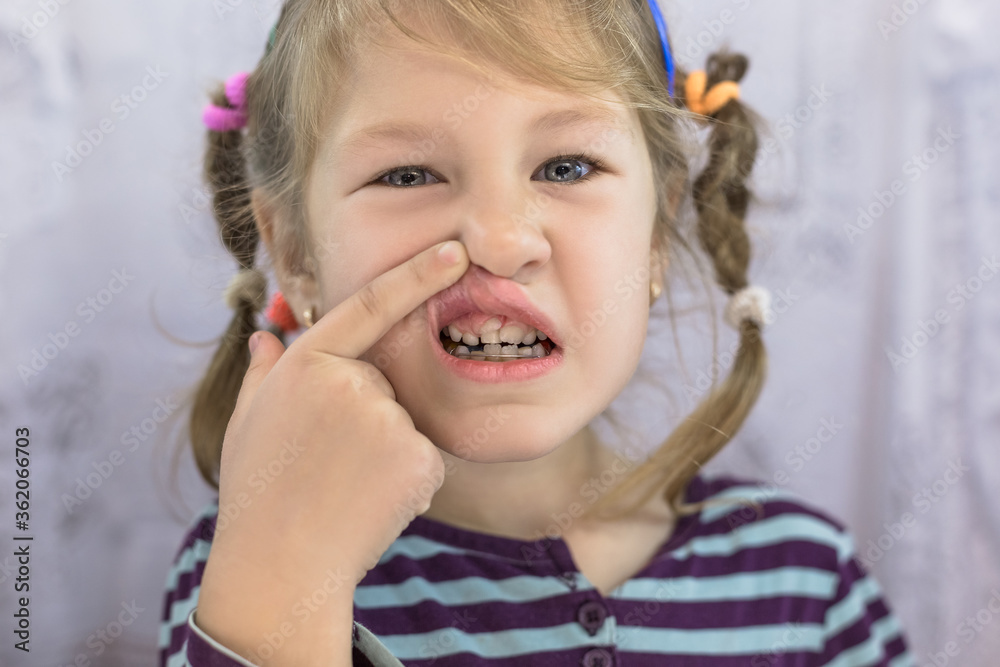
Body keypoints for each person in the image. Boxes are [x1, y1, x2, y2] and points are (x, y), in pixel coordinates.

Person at [158, 1, 915, 665]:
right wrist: (288, 582)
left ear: (655, 234)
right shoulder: (256, 561)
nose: (499, 237)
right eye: (407, 175)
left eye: (567, 165)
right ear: (294, 251)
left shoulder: (802, 587)